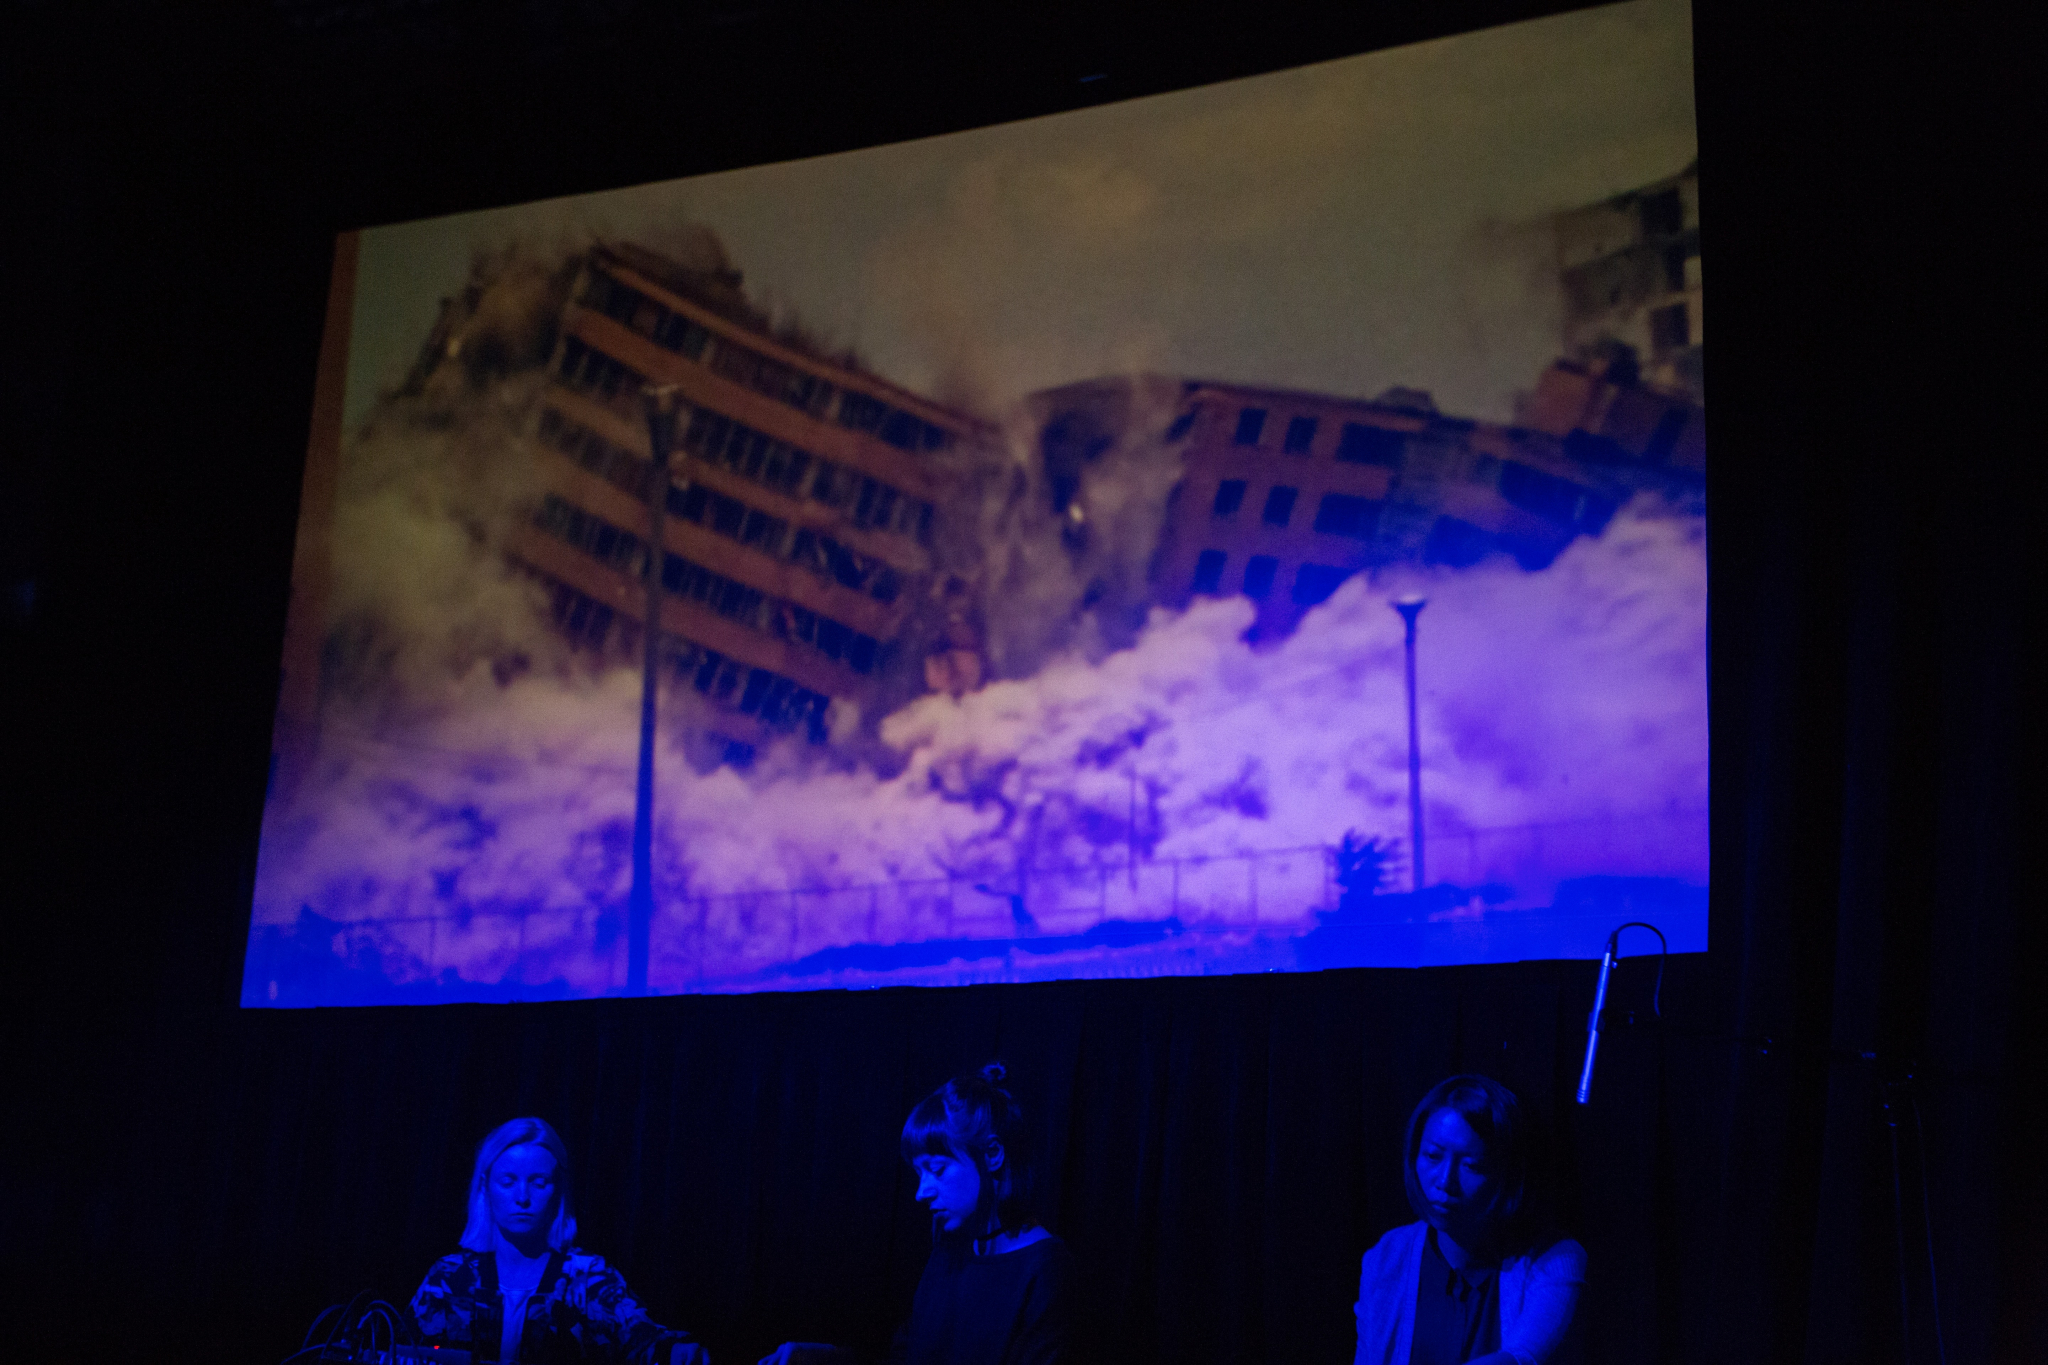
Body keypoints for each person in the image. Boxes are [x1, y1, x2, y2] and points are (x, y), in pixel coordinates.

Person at [759, 1063, 1071, 1365]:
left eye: (937, 1169)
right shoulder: (949, 1252)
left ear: (992, 1154)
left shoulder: (1045, 1269)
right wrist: (821, 1359)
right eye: (920, 1173)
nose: (921, 1193)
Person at [411, 1116, 709, 1365]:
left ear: (558, 1191)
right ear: (485, 1187)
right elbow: (401, 1350)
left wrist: (675, 1351)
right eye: (508, 1181)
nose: (523, 1197)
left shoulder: (588, 1277)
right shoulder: (448, 1277)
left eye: (539, 1182)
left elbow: (642, 1337)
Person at [1352, 1076, 1585, 1365]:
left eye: (1471, 1166)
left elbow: (1523, 1357)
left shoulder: (1555, 1259)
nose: (1445, 1181)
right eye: (1433, 1156)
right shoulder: (1387, 1256)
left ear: (1506, 1173)